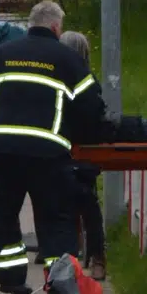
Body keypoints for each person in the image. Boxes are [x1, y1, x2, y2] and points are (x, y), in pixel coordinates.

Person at [0, 0, 107, 294]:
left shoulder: (2, 54)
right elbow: (92, 107)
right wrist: (72, 132)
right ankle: (60, 290)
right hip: (47, 154)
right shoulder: (67, 60)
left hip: (1, 150)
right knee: (55, 220)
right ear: (56, 27)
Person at [58, 31, 107, 280]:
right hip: (72, 148)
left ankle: (89, 257)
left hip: (73, 148)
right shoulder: (85, 77)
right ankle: (91, 258)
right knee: (87, 206)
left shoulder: (82, 78)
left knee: (78, 205)